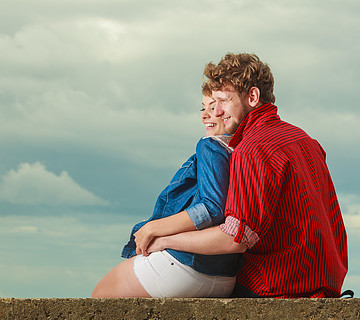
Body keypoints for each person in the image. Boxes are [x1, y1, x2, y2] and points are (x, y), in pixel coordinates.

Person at [142, 53, 348, 298]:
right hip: (325, 283)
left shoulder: (251, 149)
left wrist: (165, 239)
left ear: (252, 96)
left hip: (278, 286)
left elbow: (234, 239)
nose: (216, 111)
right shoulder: (305, 140)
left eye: (223, 101)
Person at [91, 95, 244, 298]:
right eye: (203, 108)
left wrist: (152, 229)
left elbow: (212, 208)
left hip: (184, 268)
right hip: (226, 278)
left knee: (100, 297)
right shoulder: (245, 151)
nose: (206, 115)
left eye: (214, 106)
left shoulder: (211, 145)